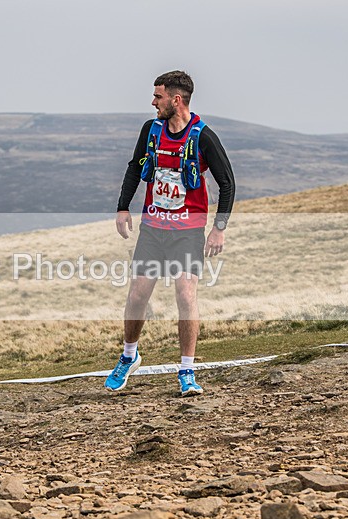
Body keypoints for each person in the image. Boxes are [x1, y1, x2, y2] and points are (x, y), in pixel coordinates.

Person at [105, 70, 235, 396]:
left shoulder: (202, 136)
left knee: (186, 295)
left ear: (175, 100)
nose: (153, 102)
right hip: (153, 229)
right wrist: (123, 207)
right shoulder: (151, 130)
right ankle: (129, 356)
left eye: (158, 97)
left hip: (187, 232)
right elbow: (135, 166)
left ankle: (187, 370)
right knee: (137, 294)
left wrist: (218, 230)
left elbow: (227, 183)